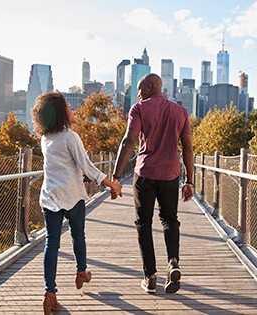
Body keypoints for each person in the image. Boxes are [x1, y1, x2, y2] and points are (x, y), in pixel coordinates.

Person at [31, 91, 123, 314]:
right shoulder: (70, 136)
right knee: (77, 235)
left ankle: (50, 293)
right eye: (70, 108)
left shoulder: (46, 138)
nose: (74, 111)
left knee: (51, 244)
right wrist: (111, 184)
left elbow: (62, 166)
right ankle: (81, 272)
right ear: (62, 113)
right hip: (72, 197)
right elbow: (87, 166)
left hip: (50, 197)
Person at [111, 73, 194, 294]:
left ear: (149, 87)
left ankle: (150, 277)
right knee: (170, 220)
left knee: (143, 224)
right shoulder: (181, 112)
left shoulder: (138, 109)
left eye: (139, 89)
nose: (137, 94)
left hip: (145, 174)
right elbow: (188, 148)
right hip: (170, 175)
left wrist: (116, 176)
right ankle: (173, 262)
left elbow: (129, 141)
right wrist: (190, 180)